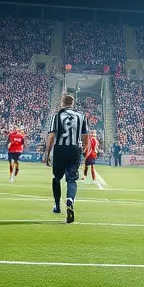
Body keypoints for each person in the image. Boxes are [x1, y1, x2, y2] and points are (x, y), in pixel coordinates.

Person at [43, 94, 90, 223]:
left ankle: (57, 206)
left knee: (56, 177)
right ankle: (70, 200)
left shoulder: (57, 116)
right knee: (72, 179)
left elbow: (52, 136)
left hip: (60, 149)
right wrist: (84, 151)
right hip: (75, 150)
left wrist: (47, 153)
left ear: (62, 103)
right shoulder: (81, 116)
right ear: (72, 103)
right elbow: (86, 136)